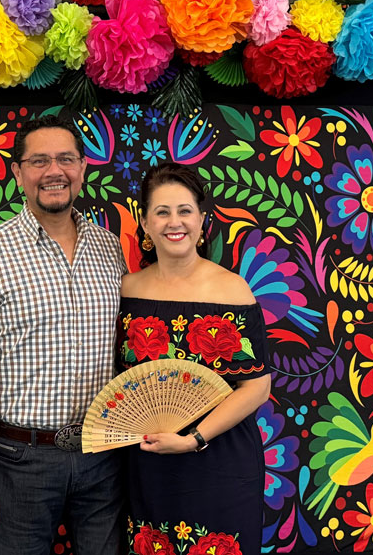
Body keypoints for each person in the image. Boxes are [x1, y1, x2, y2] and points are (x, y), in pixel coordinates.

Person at [0, 115, 128, 554]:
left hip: (103, 457)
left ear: (83, 168)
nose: (53, 171)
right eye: (38, 161)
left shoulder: (109, 248)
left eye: (65, 159)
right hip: (17, 461)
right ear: (19, 172)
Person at [118, 163, 271, 554]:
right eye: (162, 211)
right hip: (149, 468)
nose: (175, 222)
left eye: (185, 211)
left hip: (220, 462)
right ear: (145, 222)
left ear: (202, 220)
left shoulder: (232, 290)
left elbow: (256, 387)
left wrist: (194, 439)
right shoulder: (127, 291)